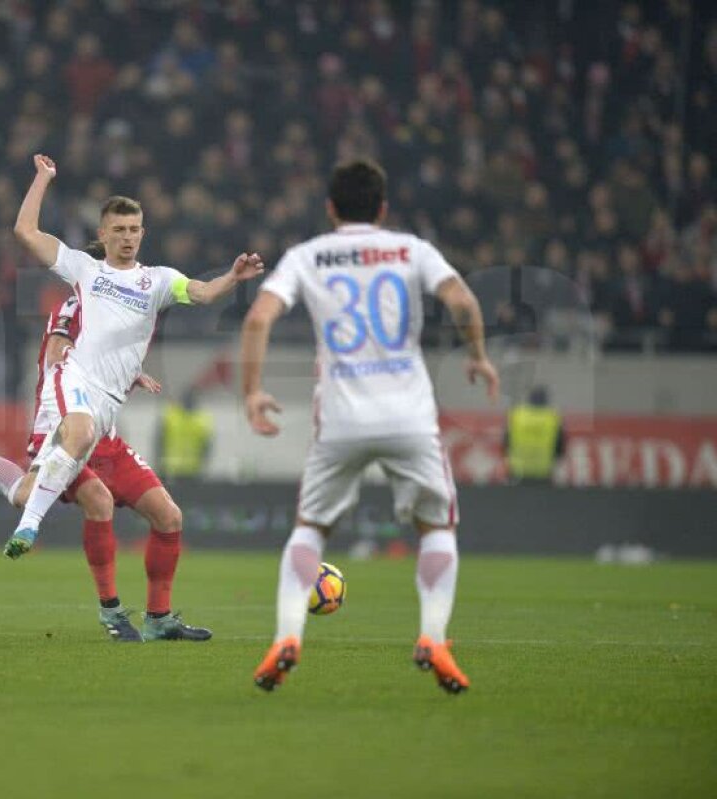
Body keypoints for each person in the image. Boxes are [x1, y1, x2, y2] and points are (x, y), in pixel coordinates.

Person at [0, 153, 261, 622]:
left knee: (57, 492)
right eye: (120, 230)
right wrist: (42, 179)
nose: (128, 237)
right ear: (103, 234)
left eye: (135, 230)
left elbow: (205, 293)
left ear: (143, 233)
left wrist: (232, 277)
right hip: (70, 394)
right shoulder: (85, 274)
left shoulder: (159, 281)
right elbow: (26, 234)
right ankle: (32, 533)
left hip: (105, 411)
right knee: (82, 454)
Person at [239, 159, 498, 694]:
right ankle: (433, 637)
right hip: (410, 416)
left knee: (310, 528)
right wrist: (477, 355)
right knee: (436, 529)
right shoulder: (412, 250)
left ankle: (287, 636)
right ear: (383, 209)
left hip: (340, 417)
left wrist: (252, 391)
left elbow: (259, 317)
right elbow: (463, 301)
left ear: (330, 208)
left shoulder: (307, 256)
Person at [27, 290, 209, 641]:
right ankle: (111, 612)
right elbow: (55, 358)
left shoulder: (116, 311)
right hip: (66, 433)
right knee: (86, 502)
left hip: (106, 439)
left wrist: (128, 373)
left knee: (169, 517)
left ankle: (158, 619)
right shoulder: (74, 305)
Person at [503, 385, 565, 483]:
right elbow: (560, 445)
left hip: (518, 471)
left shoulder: (517, 415)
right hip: (544, 471)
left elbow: (506, 442)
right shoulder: (552, 417)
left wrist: (509, 459)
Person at [154, 386, 213, 479]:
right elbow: (159, 442)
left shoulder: (170, 416)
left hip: (191, 472)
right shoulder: (170, 416)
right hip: (171, 471)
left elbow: (207, 447)